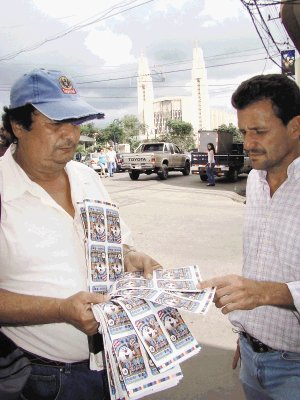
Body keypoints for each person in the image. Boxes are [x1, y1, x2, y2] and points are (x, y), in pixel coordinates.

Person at [0, 68, 161, 400]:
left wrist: (129, 255)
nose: (70, 135)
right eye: (56, 124)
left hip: (116, 360)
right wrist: (60, 309)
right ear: (18, 126)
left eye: (75, 123)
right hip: (44, 378)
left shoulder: (87, 176)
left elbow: (116, 243)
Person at [199, 74, 300, 400]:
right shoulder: (255, 181)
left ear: (295, 127)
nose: (249, 142)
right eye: (244, 132)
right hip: (252, 356)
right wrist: (249, 336)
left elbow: (263, 288)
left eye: (259, 131)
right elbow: (259, 264)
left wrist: (265, 294)